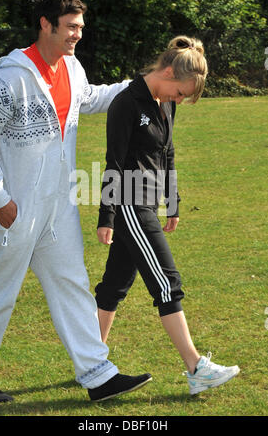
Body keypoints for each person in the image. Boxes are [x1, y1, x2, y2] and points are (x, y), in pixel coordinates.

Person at [0, 0, 152, 404]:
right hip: (15, 208)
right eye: (71, 26)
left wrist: (143, 85)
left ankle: (97, 373)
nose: (78, 34)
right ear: (46, 24)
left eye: (80, 26)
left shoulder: (72, 68)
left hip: (59, 205)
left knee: (73, 284)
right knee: (0, 291)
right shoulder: (11, 77)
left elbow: (89, 99)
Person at [95, 36, 240, 396]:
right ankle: (196, 368)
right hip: (128, 203)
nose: (178, 100)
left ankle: (89, 361)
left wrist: (172, 201)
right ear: (168, 71)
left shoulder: (164, 105)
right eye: (179, 93)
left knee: (114, 285)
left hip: (148, 203)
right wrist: (106, 216)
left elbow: (167, 153)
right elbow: (113, 162)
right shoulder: (126, 103)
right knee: (165, 280)